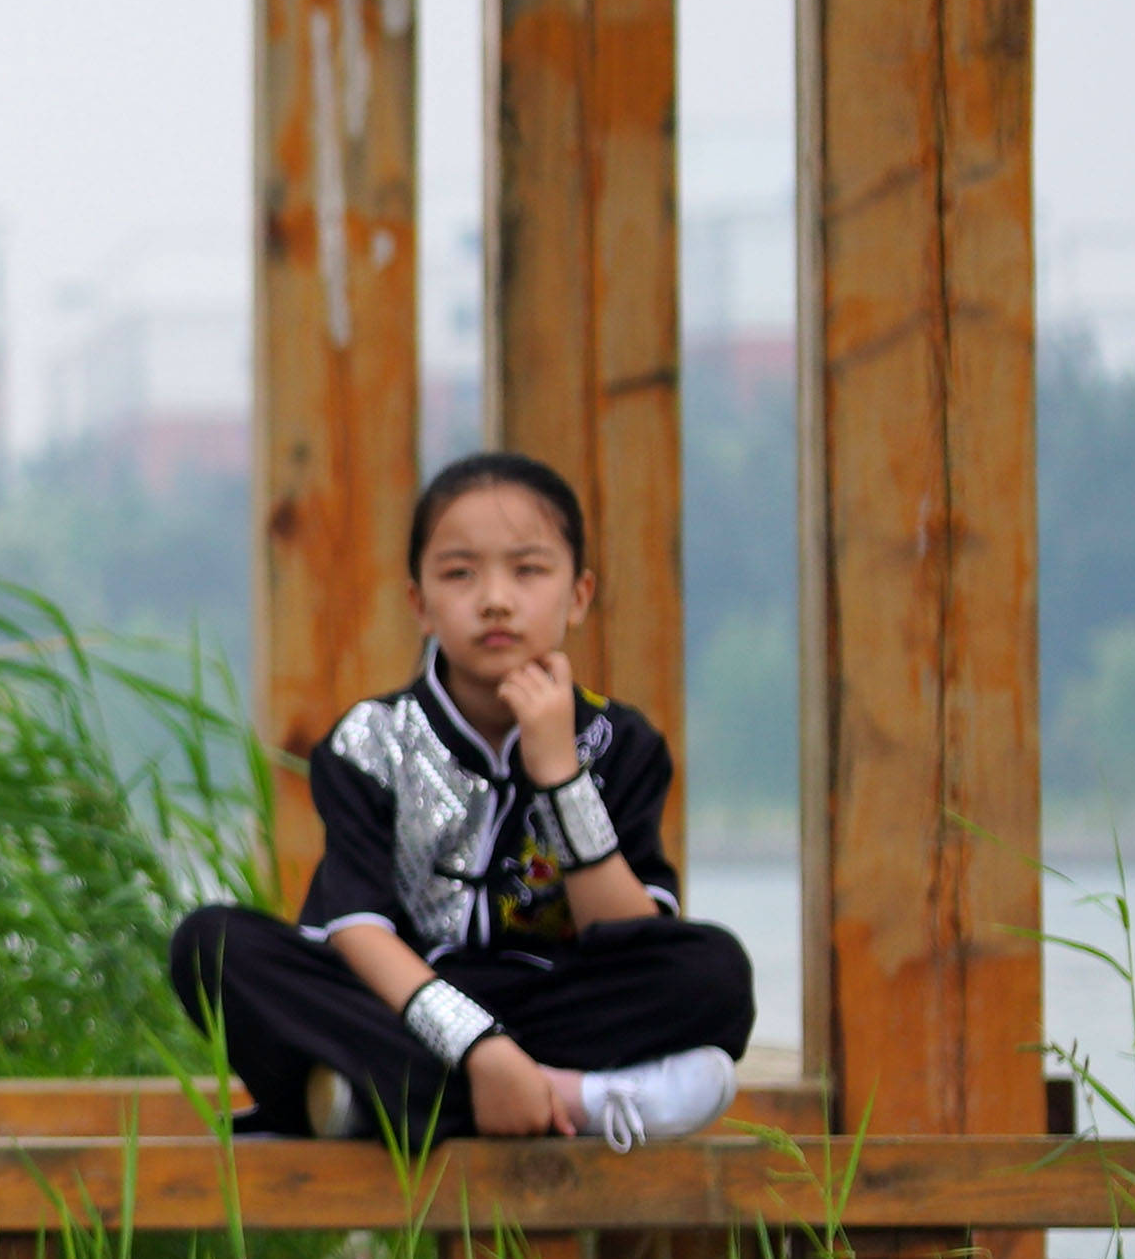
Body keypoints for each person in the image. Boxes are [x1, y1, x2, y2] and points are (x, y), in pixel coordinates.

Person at [169, 450, 749, 1149]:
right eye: (459, 573)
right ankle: (563, 1095)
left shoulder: (620, 742)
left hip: (548, 998)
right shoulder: (368, 740)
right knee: (213, 944)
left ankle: (376, 1101)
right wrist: (482, 1049)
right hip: (395, 1001)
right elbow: (358, 931)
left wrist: (560, 774)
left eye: (527, 570)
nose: (495, 598)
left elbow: (627, 937)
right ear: (419, 601)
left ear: (578, 595)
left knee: (713, 973)